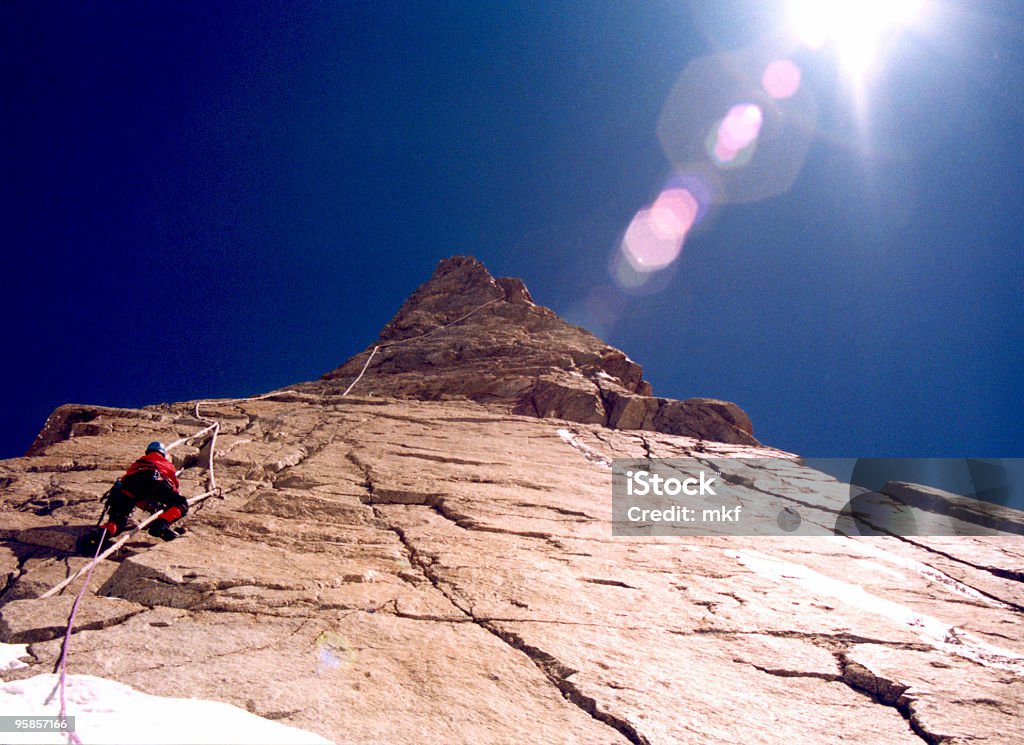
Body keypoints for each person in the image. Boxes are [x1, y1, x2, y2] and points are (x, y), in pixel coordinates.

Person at [87, 441, 189, 551]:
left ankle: (101, 534)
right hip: (154, 483)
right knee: (180, 504)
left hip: (128, 487)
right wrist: (171, 500)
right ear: (162, 453)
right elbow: (174, 484)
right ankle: (160, 525)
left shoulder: (138, 463)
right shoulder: (165, 463)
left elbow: (136, 492)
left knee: (118, 520)